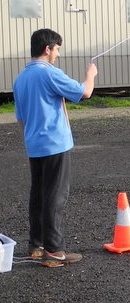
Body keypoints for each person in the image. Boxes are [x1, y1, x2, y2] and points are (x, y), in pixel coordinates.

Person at [13, 28, 98, 267]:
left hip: (34, 144)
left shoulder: (20, 79)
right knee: (55, 196)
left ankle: (36, 245)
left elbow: (20, 118)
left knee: (38, 194)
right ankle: (54, 251)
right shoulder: (49, 73)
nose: (58, 54)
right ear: (47, 49)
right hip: (55, 144)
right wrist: (90, 74)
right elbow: (85, 92)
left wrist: (31, 138)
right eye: (57, 49)